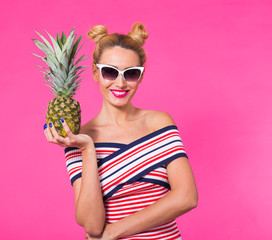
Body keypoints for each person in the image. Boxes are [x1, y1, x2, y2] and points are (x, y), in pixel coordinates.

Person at [43, 23, 198, 240]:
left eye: (131, 73)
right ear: (95, 73)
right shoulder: (79, 137)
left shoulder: (158, 123)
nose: (121, 82)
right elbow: (92, 226)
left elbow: (186, 197)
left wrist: (113, 233)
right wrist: (88, 149)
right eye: (110, 71)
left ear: (141, 76)